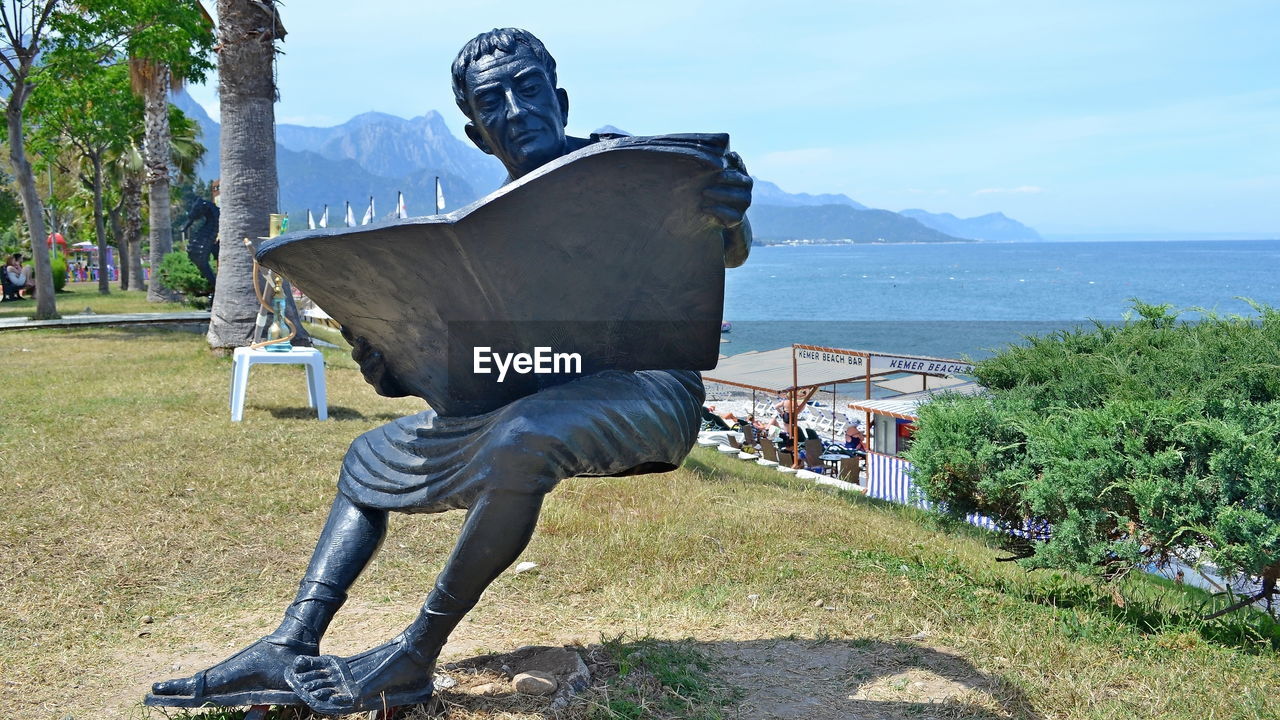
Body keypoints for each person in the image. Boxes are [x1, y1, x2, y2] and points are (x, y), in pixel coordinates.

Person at [149, 28, 752, 715]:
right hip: (536, 388)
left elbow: (723, 248)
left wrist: (728, 214)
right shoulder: (487, 232)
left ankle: (413, 655)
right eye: (493, 101)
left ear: (558, 98)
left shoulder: (618, 166)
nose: (517, 109)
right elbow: (463, 369)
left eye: (529, 89)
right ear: (476, 133)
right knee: (367, 459)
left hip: (649, 387)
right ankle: (291, 641)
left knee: (525, 434)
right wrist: (389, 355)